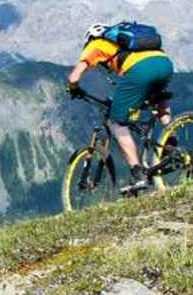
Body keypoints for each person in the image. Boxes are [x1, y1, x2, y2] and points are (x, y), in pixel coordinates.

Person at [66, 22, 174, 194]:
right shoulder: (128, 43)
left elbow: (74, 77)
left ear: (90, 38)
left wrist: (73, 88)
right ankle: (173, 144)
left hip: (140, 70)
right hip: (165, 63)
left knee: (116, 122)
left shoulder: (96, 44)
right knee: (158, 102)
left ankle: (138, 173)